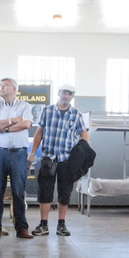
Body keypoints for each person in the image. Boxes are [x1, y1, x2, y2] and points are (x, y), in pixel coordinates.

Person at [30, 85, 89, 236]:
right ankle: (43, 224)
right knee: (45, 191)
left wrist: (82, 155)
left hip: (66, 159)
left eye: (70, 94)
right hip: (48, 157)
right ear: (59, 93)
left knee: (65, 192)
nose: (66, 96)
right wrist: (32, 153)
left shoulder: (76, 114)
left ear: (72, 97)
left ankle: (61, 225)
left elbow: (83, 134)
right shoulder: (47, 110)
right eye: (64, 93)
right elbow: (39, 132)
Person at [0, 76, 35, 239]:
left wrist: (4, 128)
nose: (1, 88)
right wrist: (13, 122)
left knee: (19, 191)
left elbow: (26, 124)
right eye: (1, 86)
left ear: (14, 89)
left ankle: (22, 228)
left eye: (5, 86)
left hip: (19, 154)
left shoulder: (24, 105)